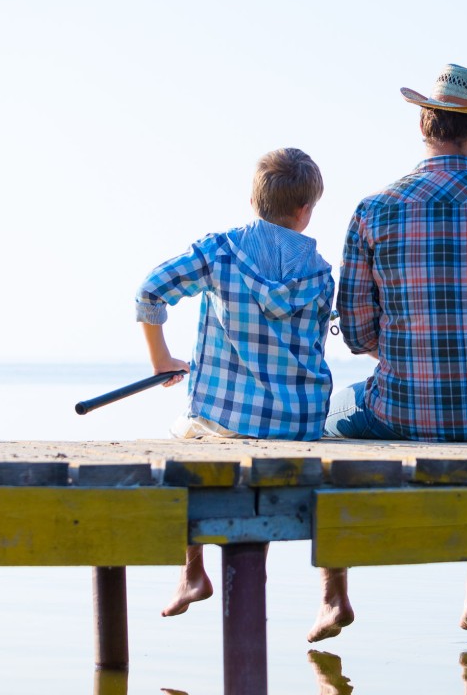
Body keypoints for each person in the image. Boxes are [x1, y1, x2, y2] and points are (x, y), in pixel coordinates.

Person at [316, 64, 467, 641]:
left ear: (424, 124)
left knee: (323, 417)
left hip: (399, 409)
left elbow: (360, 334)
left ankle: (334, 598)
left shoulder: (374, 210)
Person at [134, 147, 335, 622]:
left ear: (252, 199)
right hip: (300, 424)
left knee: (182, 447)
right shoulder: (321, 275)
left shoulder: (219, 252)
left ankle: (192, 572)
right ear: (305, 212)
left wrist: (162, 359)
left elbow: (150, 290)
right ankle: (328, 592)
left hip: (227, 421)